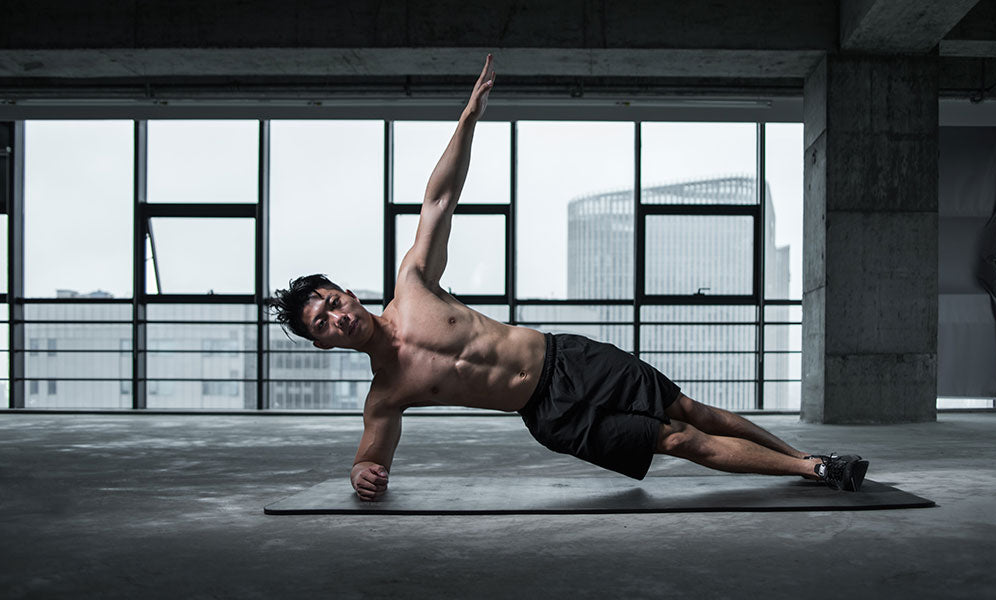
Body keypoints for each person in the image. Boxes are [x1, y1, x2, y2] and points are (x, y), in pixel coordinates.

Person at [268, 54, 869, 501]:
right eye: (323, 323)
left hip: (568, 359)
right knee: (676, 439)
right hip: (550, 415)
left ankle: (813, 462)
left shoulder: (415, 286)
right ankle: (813, 469)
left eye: (331, 301)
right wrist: (358, 473)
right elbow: (371, 456)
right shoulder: (387, 393)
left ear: (345, 291)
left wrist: (470, 117)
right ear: (325, 343)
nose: (337, 316)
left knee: (692, 409)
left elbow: (438, 200)